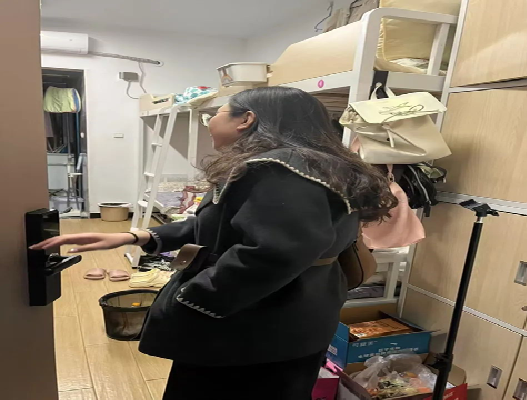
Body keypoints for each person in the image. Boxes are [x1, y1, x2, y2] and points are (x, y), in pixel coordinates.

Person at [32, 87, 397, 399]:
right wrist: (137, 235)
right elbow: (224, 226)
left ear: (246, 119)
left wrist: (194, 296)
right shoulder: (319, 165)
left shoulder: (276, 169)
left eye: (216, 113)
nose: (209, 122)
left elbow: (274, 253)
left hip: (252, 329)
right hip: (298, 318)